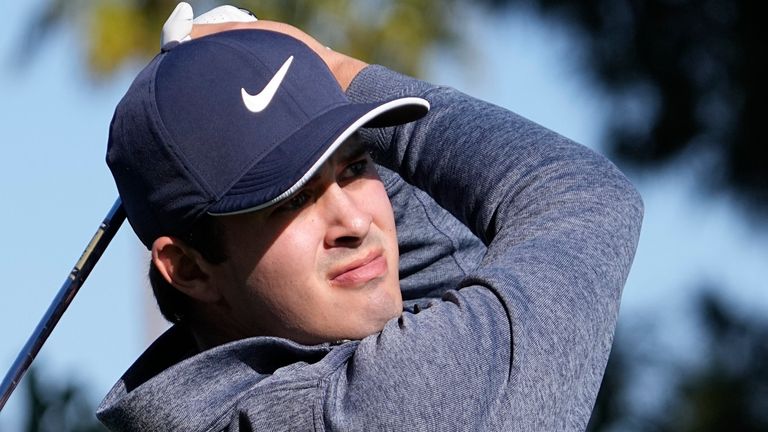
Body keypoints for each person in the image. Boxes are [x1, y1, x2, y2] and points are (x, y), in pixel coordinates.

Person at [96, 4, 643, 431]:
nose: (355, 223)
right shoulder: (370, 410)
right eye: (289, 199)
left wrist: (312, 96)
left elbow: (431, 259)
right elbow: (583, 200)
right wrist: (338, 69)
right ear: (188, 269)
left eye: (356, 167)